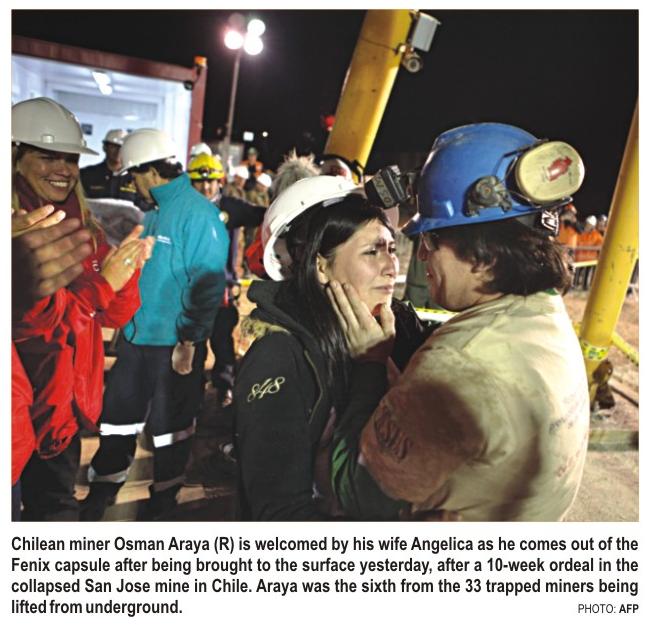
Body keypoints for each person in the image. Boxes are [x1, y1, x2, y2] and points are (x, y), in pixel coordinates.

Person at [330, 122, 590, 521]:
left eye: (430, 241)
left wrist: (369, 363)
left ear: (484, 255)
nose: (421, 257)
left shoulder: (457, 366)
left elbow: (356, 491)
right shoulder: (544, 311)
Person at [233, 176, 427, 520]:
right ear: (321, 266)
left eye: (390, 248)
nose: (391, 266)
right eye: (372, 251)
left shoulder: (400, 328)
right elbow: (281, 514)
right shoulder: (279, 358)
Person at [11, 97, 149, 521]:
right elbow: (38, 327)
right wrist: (104, 285)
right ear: (14, 157)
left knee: (54, 510)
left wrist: (125, 275)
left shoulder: (86, 228)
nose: (64, 169)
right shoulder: (13, 229)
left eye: (70, 158)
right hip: (26, 410)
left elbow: (112, 315)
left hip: (62, 410)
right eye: (47, 155)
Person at [82, 129, 230, 521]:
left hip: (174, 346)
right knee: (117, 420)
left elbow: (208, 285)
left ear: (150, 171)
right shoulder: (152, 214)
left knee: (170, 430)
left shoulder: (200, 216)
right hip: (136, 340)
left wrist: (189, 342)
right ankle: (103, 487)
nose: (131, 184)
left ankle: (163, 500)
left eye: (133, 175)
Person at [186, 152, 265, 405]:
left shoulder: (231, 207)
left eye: (211, 181)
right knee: (194, 343)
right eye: (199, 182)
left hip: (221, 289)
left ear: (220, 181)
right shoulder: (181, 209)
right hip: (188, 291)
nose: (206, 187)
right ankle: (192, 390)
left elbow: (262, 214)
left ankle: (224, 386)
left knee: (222, 341)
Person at [80, 128, 138, 203]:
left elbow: (145, 205)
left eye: (122, 147)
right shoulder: (86, 174)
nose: (118, 151)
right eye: (114, 146)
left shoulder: (135, 177)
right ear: (105, 147)